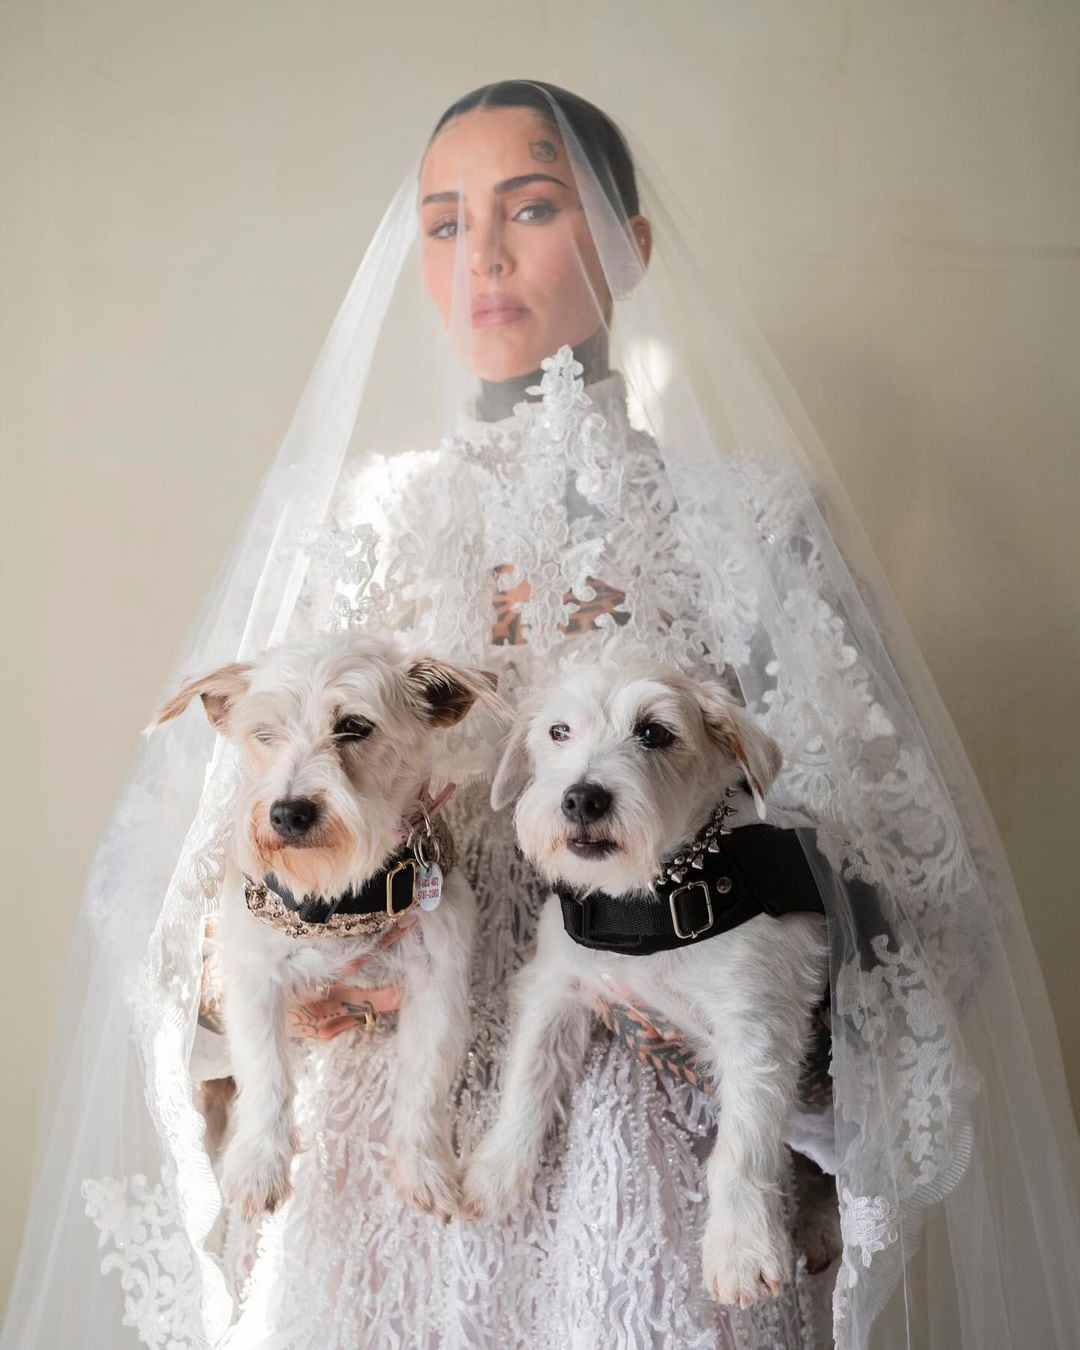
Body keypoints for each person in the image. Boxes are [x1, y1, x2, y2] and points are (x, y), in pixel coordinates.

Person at [4, 80, 1079, 1350]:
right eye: (446, 222)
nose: (486, 255)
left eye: (531, 207)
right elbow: (188, 852)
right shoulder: (356, 519)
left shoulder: (747, 523)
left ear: (629, 239)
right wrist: (262, 992)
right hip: (382, 1155)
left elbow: (902, 868)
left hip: (655, 1149)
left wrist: (727, 981)